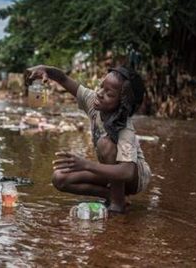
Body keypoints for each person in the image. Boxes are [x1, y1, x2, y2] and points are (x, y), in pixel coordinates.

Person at [27, 65, 151, 213]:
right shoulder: (93, 102)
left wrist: (86, 165)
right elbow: (63, 78)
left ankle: (118, 205)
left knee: (106, 144)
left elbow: (127, 171)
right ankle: (111, 195)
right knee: (59, 178)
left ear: (122, 105)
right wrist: (46, 70)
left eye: (109, 94)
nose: (99, 93)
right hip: (114, 172)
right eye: (101, 87)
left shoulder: (125, 129)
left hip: (136, 178)